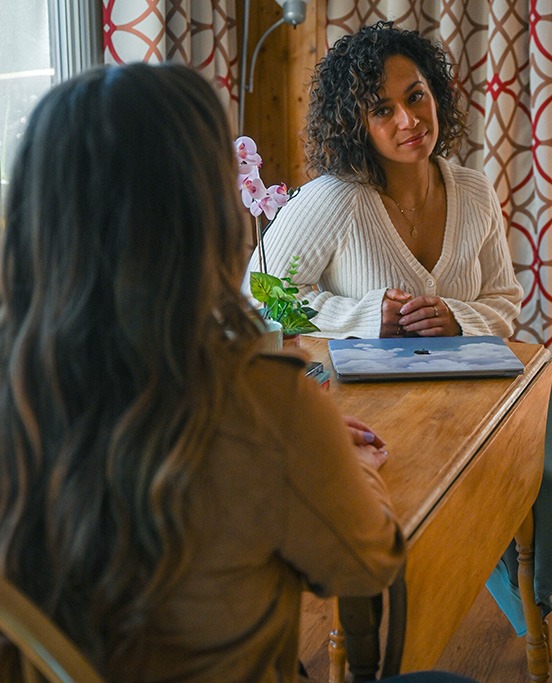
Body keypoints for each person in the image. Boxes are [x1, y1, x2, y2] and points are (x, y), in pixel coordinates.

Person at [0, 61, 409, 681]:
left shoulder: (21, 384)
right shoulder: (260, 397)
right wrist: (345, 455)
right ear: (202, 209)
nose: (408, 120)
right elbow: (367, 563)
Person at [244, 20, 523, 340]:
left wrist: (457, 320)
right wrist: (361, 317)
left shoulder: (476, 192)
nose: (409, 120)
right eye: (381, 110)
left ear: (435, 94)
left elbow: (504, 302)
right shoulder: (330, 199)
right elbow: (258, 301)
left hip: (471, 390)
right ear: (354, 124)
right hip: (359, 391)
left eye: (415, 96)